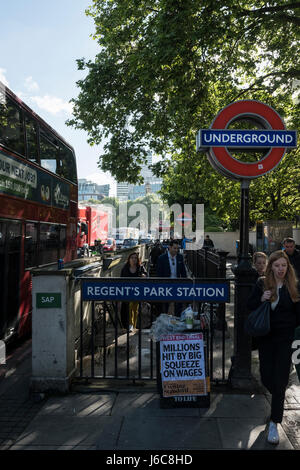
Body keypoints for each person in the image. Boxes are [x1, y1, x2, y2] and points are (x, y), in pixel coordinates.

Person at [247, 250, 300, 445]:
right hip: (266, 338)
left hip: (285, 339)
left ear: (288, 267)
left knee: (280, 381)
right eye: (276, 266)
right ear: (271, 267)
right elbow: (249, 305)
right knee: (266, 377)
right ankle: (276, 393)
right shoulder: (262, 283)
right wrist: (261, 299)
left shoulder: (293, 286)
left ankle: (274, 422)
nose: (280, 269)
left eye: (283, 266)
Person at [156, 239, 187, 316]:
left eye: (177, 248)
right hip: (166, 284)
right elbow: (159, 274)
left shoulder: (180, 257)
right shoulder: (161, 258)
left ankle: (177, 318)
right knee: (165, 304)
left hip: (177, 284)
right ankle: (165, 319)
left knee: (178, 304)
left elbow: (183, 272)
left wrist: (185, 283)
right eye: (174, 248)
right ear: (169, 247)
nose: (176, 250)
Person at [119, 252, 147, 332]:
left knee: (135, 309)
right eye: (132, 258)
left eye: (135, 258)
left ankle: (133, 325)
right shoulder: (125, 268)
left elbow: (146, 275)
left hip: (137, 292)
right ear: (129, 259)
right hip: (127, 292)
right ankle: (129, 325)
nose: (134, 259)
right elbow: (121, 281)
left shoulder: (140, 267)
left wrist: (143, 276)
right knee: (129, 307)